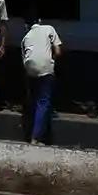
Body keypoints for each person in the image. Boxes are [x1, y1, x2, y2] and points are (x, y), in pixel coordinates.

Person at [20, 14, 63, 144]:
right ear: (39, 20)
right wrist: (51, 62)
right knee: (43, 102)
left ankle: (30, 131)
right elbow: (58, 52)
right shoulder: (49, 28)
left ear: (26, 25)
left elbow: (25, 60)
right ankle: (36, 137)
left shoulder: (25, 38)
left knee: (34, 100)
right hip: (46, 69)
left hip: (30, 71)